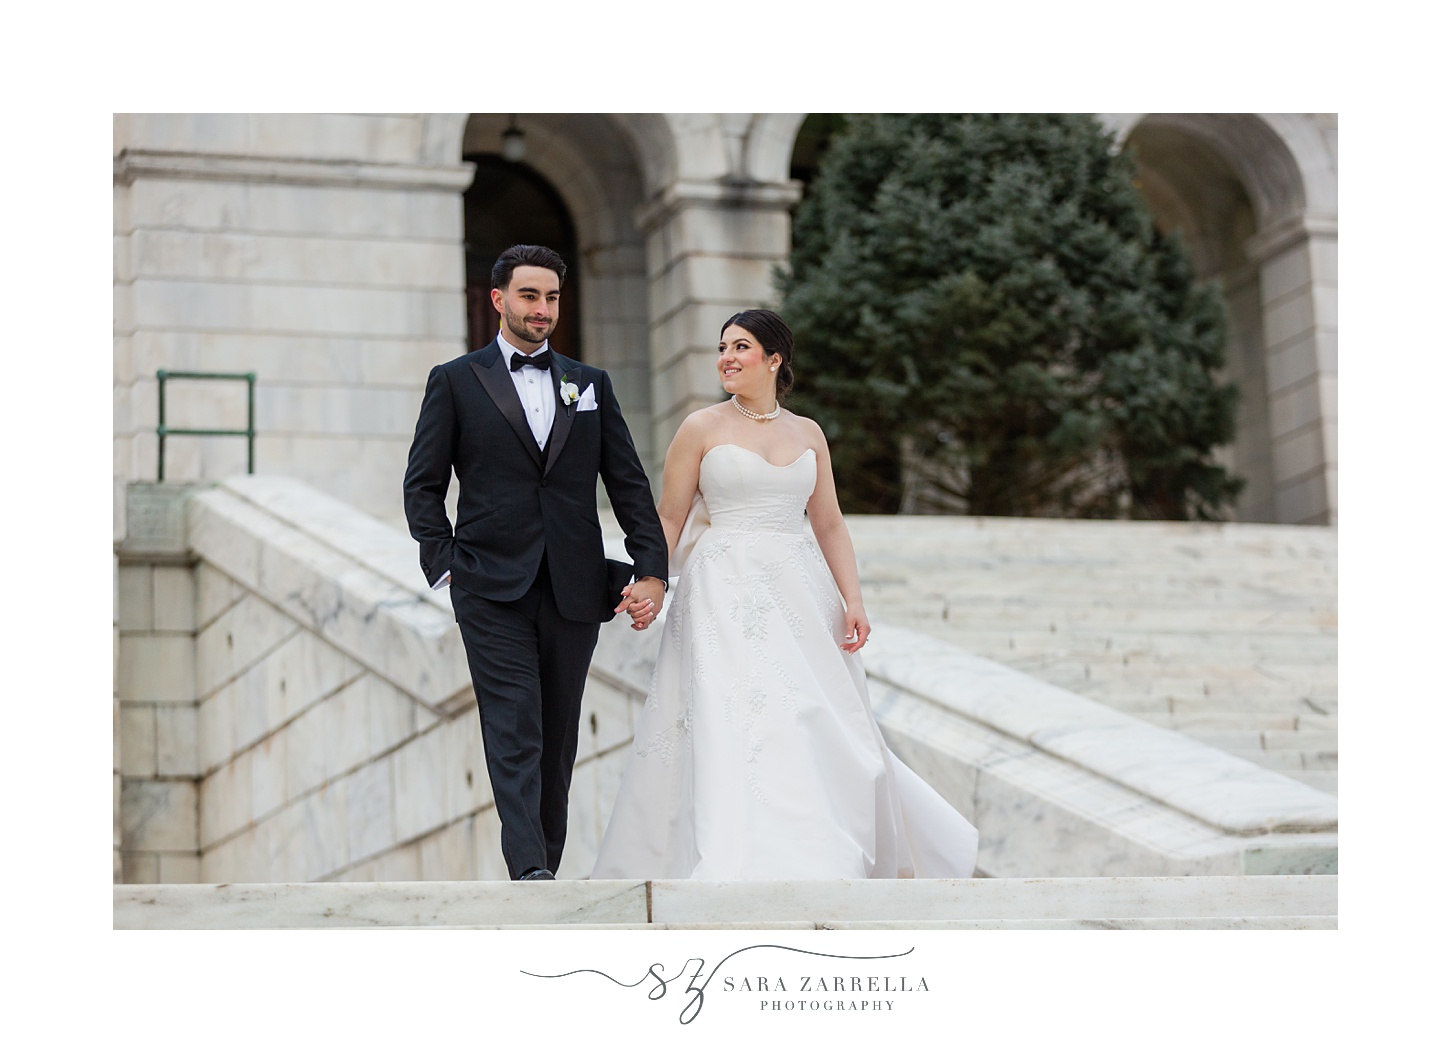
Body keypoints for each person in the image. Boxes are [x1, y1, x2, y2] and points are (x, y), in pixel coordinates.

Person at [592, 309, 979, 880]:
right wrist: (650, 580)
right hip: (721, 590)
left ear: (774, 360)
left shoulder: (808, 433)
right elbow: (668, 518)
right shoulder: (700, 427)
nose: (726, 356)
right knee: (738, 716)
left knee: (812, 715)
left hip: (802, 592)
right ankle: (741, 852)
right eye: (722, 346)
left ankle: (819, 847)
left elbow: (829, 524)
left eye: (741, 346)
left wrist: (854, 599)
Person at [403, 244, 668, 882]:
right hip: (490, 587)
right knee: (513, 725)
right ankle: (529, 870)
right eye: (529, 296)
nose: (542, 309)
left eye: (551, 297)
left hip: (574, 587)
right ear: (499, 300)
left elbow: (627, 483)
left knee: (558, 738)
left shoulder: (591, 384)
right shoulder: (456, 380)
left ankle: (543, 871)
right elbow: (423, 483)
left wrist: (651, 568)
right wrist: (445, 565)